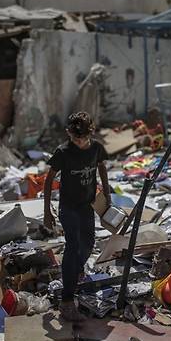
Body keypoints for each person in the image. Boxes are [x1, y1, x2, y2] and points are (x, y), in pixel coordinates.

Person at [43, 111, 110, 322]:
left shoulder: (97, 148)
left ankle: (74, 271)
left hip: (87, 206)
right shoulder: (63, 152)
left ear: (91, 133)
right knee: (72, 247)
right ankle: (66, 300)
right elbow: (49, 179)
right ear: (69, 134)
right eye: (75, 138)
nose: (79, 142)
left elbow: (102, 168)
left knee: (88, 244)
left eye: (82, 138)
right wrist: (47, 211)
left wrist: (107, 194)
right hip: (68, 207)